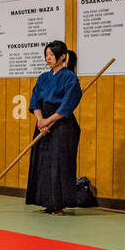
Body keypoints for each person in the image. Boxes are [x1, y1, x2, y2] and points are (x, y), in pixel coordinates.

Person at [25, 41, 84, 215]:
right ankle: (46, 201)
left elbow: (68, 104)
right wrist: (40, 120)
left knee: (59, 164)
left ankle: (58, 204)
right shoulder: (43, 77)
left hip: (62, 125)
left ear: (63, 56)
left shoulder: (69, 77)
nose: (48, 58)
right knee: (42, 162)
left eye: (51, 54)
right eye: (46, 54)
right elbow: (35, 100)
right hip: (43, 122)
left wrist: (49, 120)